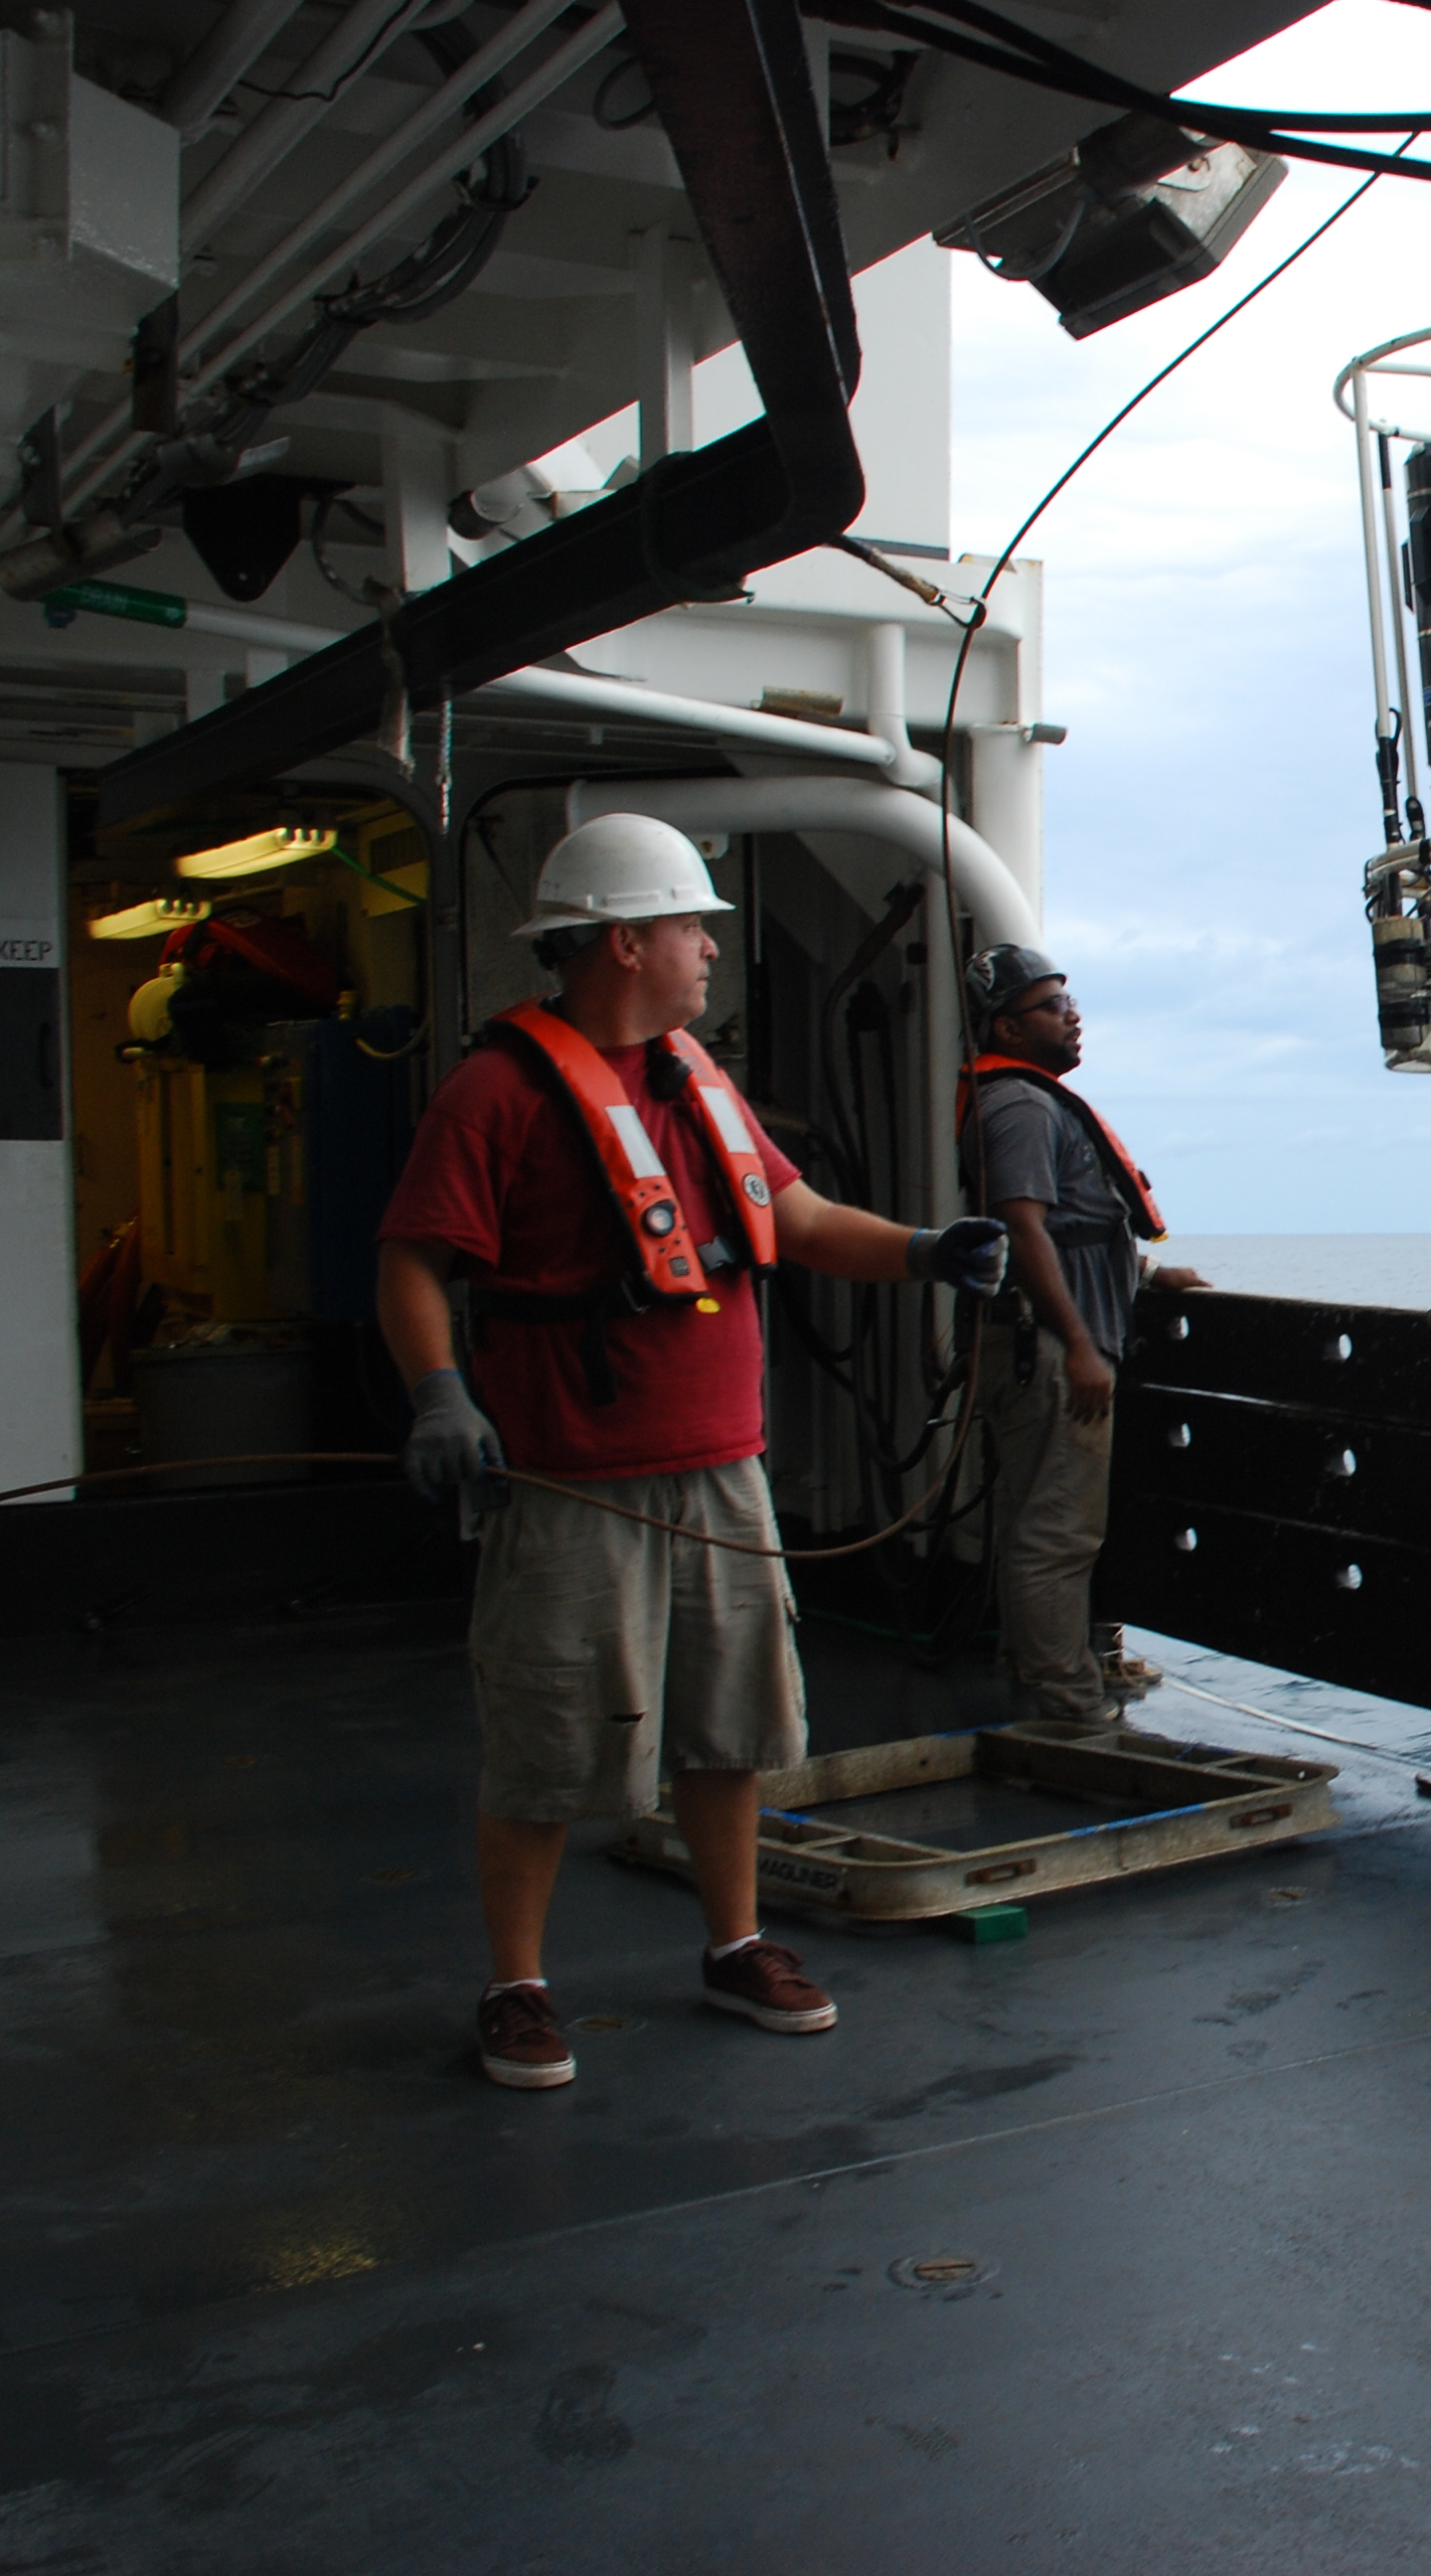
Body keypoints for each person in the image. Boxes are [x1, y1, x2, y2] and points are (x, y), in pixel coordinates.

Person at [377, 815, 1010, 2093]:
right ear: (625, 942)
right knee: (546, 1742)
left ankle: (734, 1946)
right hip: (573, 1483)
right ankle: (516, 1987)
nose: (712, 948)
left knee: (732, 1729)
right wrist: (440, 1395)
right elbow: (412, 1261)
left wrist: (924, 1251)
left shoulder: (695, 1080)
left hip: (722, 1469)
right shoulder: (494, 1095)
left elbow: (800, 1217)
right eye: (690, 925)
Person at [954, 941, 1205, 1729]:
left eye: (1069, 1001)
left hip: (1046, 1345)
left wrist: (1149, 1275)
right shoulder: (1023, 1108)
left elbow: (1073, 1229)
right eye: (1053, 1006)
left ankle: (1034, 1670)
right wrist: (1082, 1346)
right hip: (1052, 1353)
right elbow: (1023, 1229)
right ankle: (1070, 1706)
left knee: (1035, 1521)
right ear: (1007, 1028)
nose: (1073, 1017)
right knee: (1058, 1533)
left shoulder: (1025, 1102)